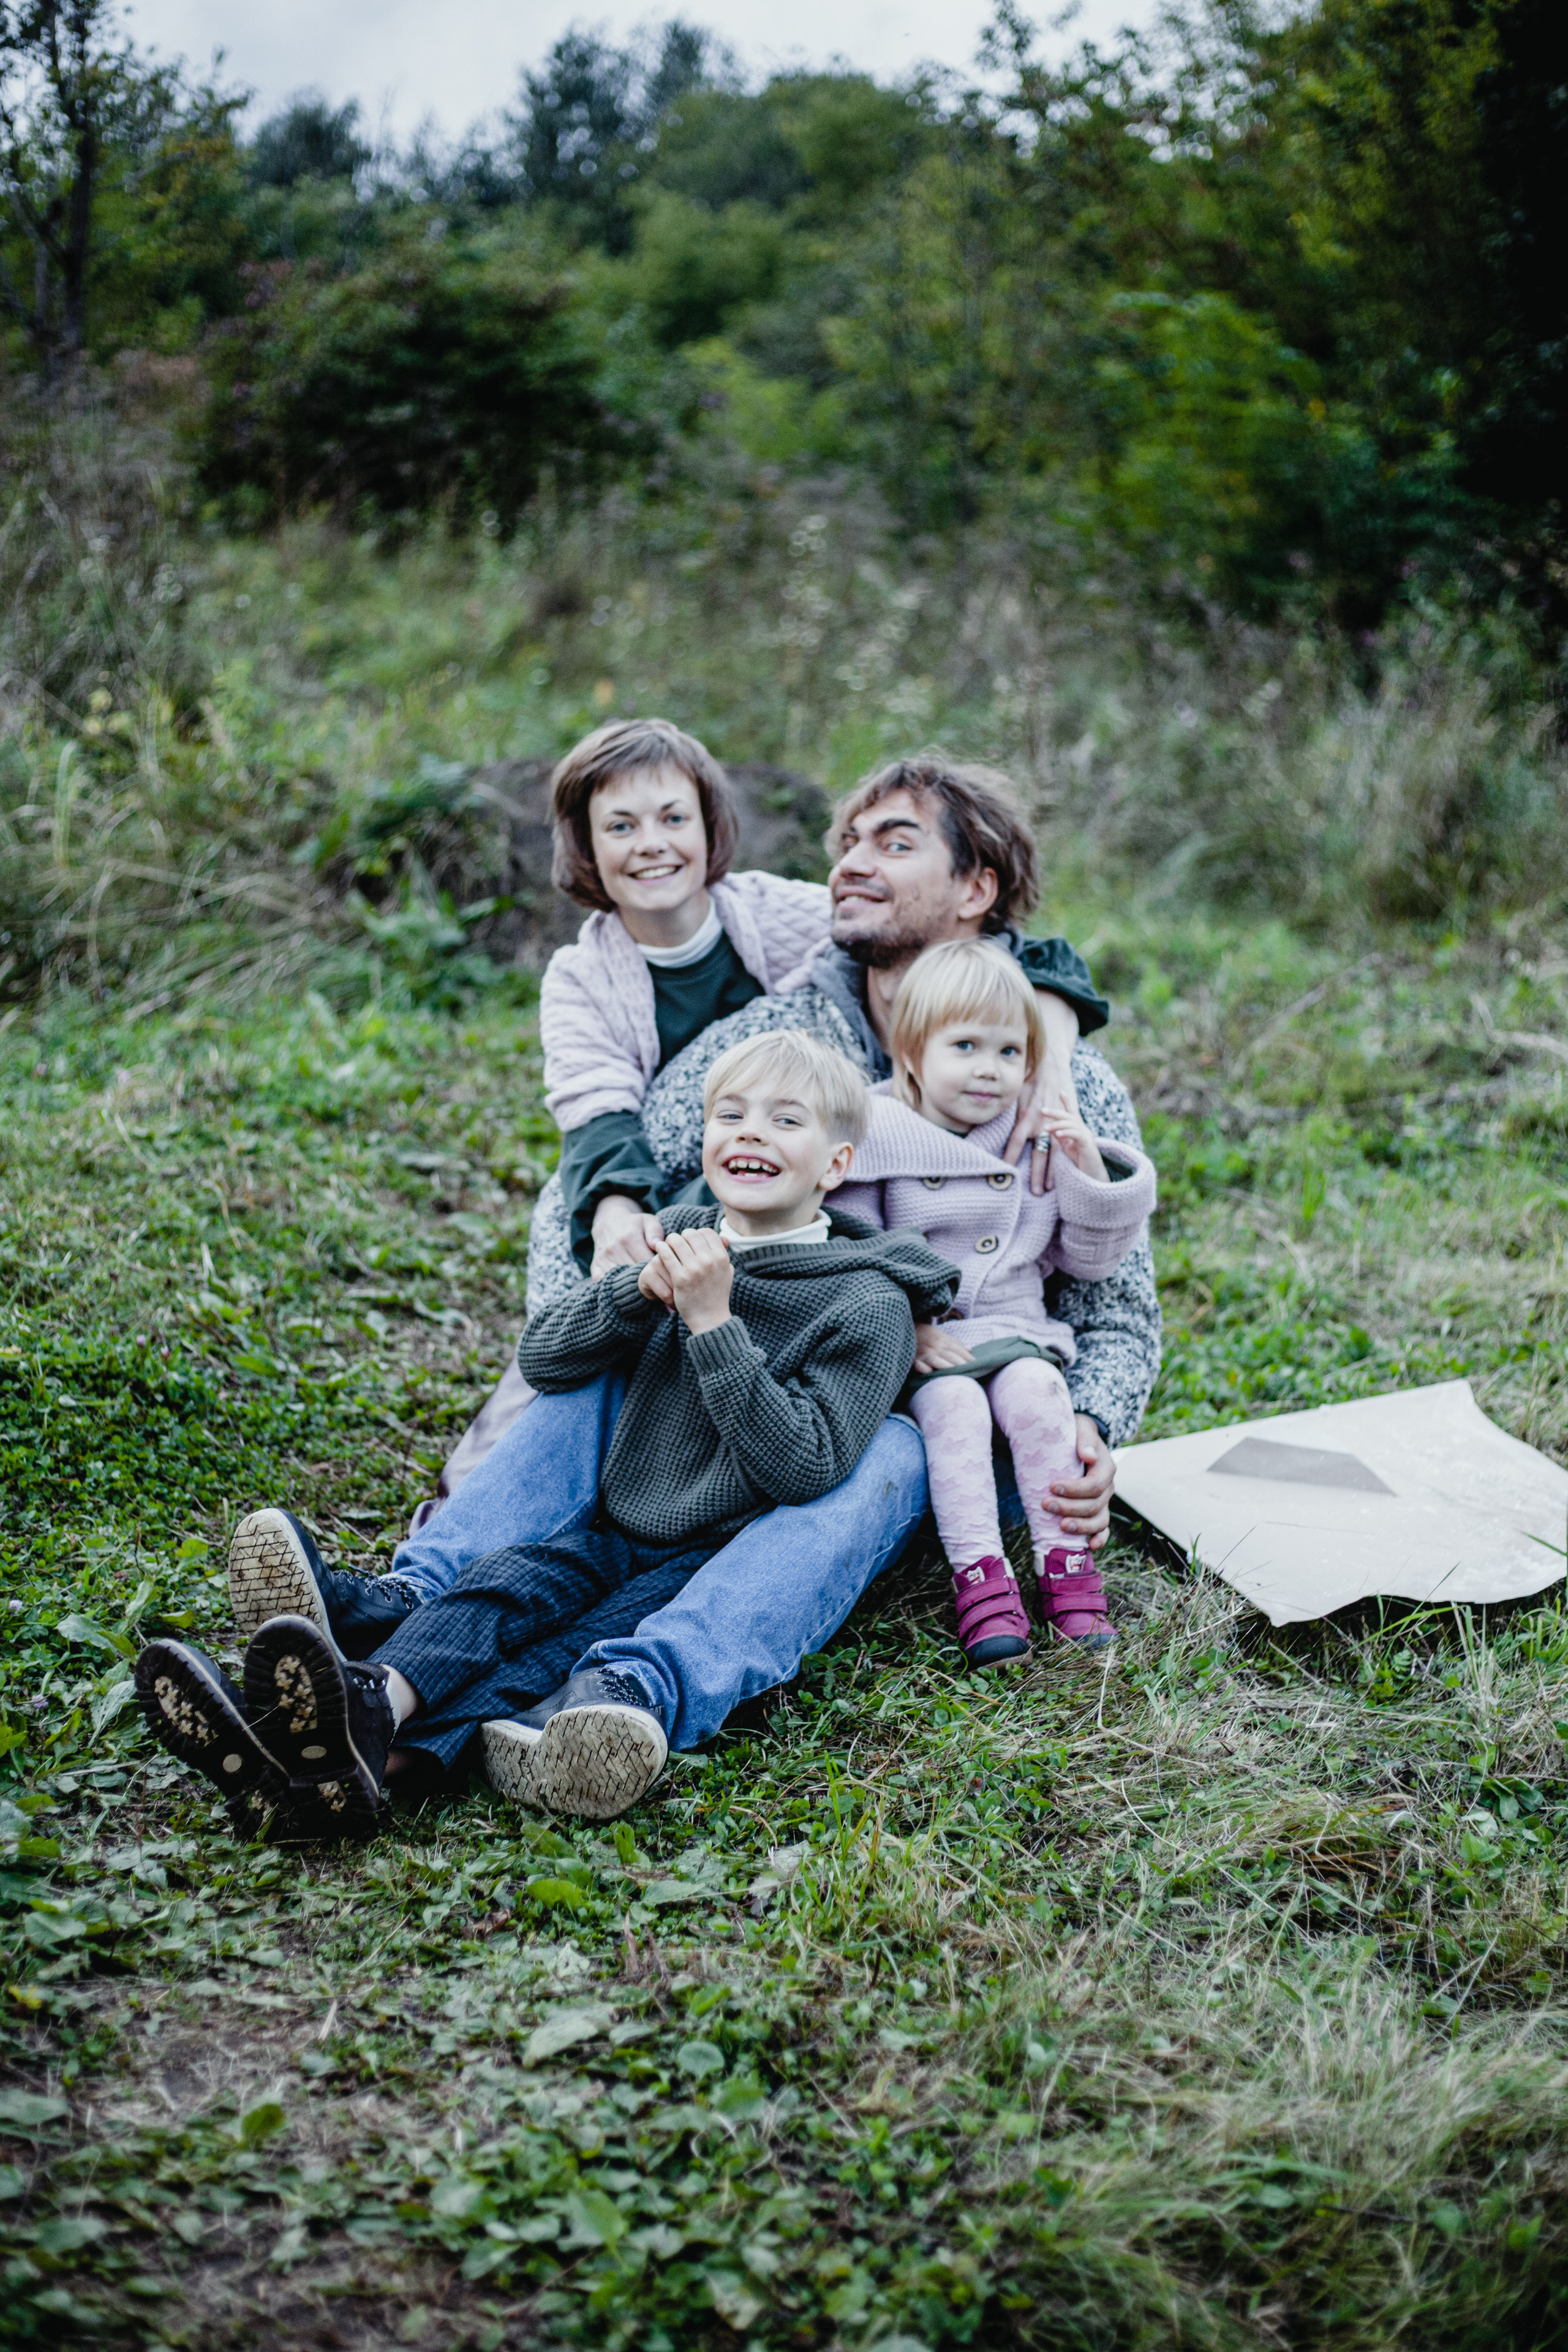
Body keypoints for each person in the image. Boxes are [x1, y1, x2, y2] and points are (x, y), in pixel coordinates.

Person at [224, 746, 1125, 1658]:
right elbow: (605, 1174)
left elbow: (1119, 1304)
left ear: (975, 888)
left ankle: (603, 1671)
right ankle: (407, 1607)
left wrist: (1089, 1419)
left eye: (893, 844)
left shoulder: (1062, 1086)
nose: (851, 864)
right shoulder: (780, 1026)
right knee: (586, 1375)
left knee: (866, 1456)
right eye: (848, 842)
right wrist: (597, 1305)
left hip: (941, 1416)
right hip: (745, 1354)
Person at [134, 1033, 957, 1833]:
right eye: (730, 1115)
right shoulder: (678, 1234)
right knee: (506, 1591)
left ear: (836, 1166)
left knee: (563, 1648)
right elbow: (546, 1360)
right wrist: (633, 1292)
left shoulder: (867, 1302)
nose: (750, 1133)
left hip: (717, 1551)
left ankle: (331, 1752)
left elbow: (805, 1468)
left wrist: (714, 1325)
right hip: (618, 1526)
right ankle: (360, 1718)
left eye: (785, 1120)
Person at [831, 939, 1155, 1667]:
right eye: (965, 1047)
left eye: (1009, 1052)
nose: (989, 1069)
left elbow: (1090, 1261)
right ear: (912, 1052)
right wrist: (909, 1330)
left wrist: (1086, 1168)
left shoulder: (1031, 1137)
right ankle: (981, 1579)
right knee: (954, 1411)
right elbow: (854, 1254)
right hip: (928, 1342)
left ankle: (1067, 1568)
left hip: (1015, 1328)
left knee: (1039, 1393)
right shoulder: (874, 1132)